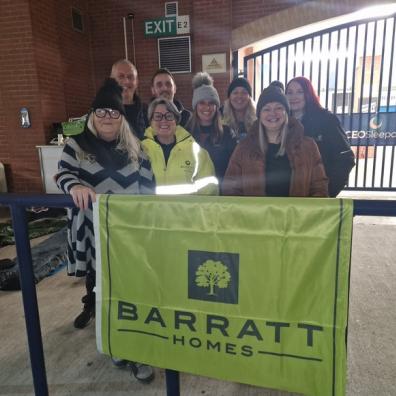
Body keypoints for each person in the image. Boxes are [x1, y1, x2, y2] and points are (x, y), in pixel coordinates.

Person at [55, 78, 155, 383]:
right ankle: (120, 347)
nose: (107, 118)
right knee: (106, 292)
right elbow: (62, 174)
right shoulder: (77, 145)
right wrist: (75, 186)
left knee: (134, 291)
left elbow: (150, 190)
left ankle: (138, 345)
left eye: (113, 112)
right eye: (101, 112)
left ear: (122, 116)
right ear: (92, 114)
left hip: (129, 236)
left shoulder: (137, 148)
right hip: (94, 233)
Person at [223, 84, 328, 197]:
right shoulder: (244, 148)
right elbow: (231, 188)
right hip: (255, 215)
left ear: (286, 113)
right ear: (259, 115)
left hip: (296, 215)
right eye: (266, 109)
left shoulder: (307, 146)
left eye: (278, 108)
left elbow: (319, 187)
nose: (272, 113)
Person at [286, 76, 355, 197]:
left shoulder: (327, 120)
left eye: (300, 92)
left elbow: (345, 158)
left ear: (308, 94)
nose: (294, 97)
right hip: (289, 196)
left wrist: (327, 191)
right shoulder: (280, 122)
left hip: (317, 196)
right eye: (289, 92)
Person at [142, 97, 218, 195]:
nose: (164, 120)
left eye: (169, 116)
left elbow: (209, 191)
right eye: (157, 116)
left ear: (176, 120)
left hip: (187, 211)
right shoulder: (139, 150)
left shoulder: (197, 152)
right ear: (150, 121)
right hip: (150, 210)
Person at [186, 72, 237, 186]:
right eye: (202, 103)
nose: (207, 107)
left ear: (216, 106)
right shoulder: (186, 133)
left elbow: (233, 168)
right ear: (195, 106)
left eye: (211, 103)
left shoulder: (227, 133)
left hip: (220, 194)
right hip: (193, 195)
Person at [110, 59, 148, 140]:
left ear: (137, 82)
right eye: (121, 76)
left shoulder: (148, 112)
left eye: (130, 77)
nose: (126, 81)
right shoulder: (101, 114)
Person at [221, 77, 257, 142]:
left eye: (244, 92)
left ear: (249, 97)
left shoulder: (257, 119)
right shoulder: (220, 117)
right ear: (229, 97)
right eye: (235, 93)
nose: (240, 96)